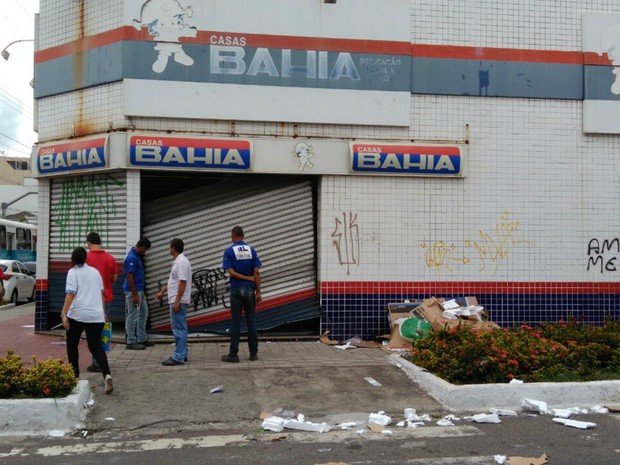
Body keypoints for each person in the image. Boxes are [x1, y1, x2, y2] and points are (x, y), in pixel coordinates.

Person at [60, 247, 113, 395]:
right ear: (86, 258)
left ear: (72, 259)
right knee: (96, 346)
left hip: (77, 314)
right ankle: (107, 375)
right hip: (95, 315)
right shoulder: (95, 272)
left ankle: (75, 376)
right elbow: (101, 294)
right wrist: (102, 312)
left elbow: (71, 294)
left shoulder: (73, 272)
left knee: (72, 343)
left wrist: (64, 313)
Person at [221, 226, 262, 363]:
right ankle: (253, 353)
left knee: (236, 321)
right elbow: (256, 272)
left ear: (233, 236)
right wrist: (259, 291)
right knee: (251, 321)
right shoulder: (251, 250)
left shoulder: (229, 251)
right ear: (243, 236)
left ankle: (233, 354)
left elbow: (231, 273)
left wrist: (244, 278)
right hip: (250, 290)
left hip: (236, 289)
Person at [85, 231, 118, 373]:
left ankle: (96, 362)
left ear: (88, 243)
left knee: (92, 332)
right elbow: (115, 278)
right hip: (106, 298)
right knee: (102, 330)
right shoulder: (110, 258)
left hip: (90, 300)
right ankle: (101, 359)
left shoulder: (86, 258)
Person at [155, 238, 191, 366]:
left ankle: (179, 356)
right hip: (177, 299)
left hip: (178, 301)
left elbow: (182, 282)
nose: (169, 250)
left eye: (170, 247)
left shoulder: (181, 262)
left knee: (178, 329)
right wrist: (162, 292)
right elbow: (173, 282)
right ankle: (183, 353)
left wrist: (177, 301)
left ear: (173, 248)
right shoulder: (179, 261)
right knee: (180, 327)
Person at [123, 237, 152, 350]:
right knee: (133, 314)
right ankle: (130, 340)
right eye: (145, 250)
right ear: (142, 247)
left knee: (144, 312)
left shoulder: (136, 256)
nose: (145, 252)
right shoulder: (131, 258)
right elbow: (129, 276)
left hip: (139, 289)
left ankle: (141, 338)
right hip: (133, 291)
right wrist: (134, 294)